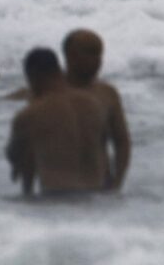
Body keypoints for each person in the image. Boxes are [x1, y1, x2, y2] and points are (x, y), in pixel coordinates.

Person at [6, 48, 108, 196]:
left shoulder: (30, 115)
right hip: (99, 198)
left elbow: (15, 155)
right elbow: (103, 149)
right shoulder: (93, 105)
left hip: (57, 200)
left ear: (33, 77)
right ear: (59, 71)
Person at [63, 29, 131, 190]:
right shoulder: (48, 91)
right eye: (91, 53)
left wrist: (118, 182)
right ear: (70, 55)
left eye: (100, 54)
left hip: (101, 185)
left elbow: (122, 141)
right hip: (59, 188)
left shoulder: (107, 94)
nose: (98, 60)